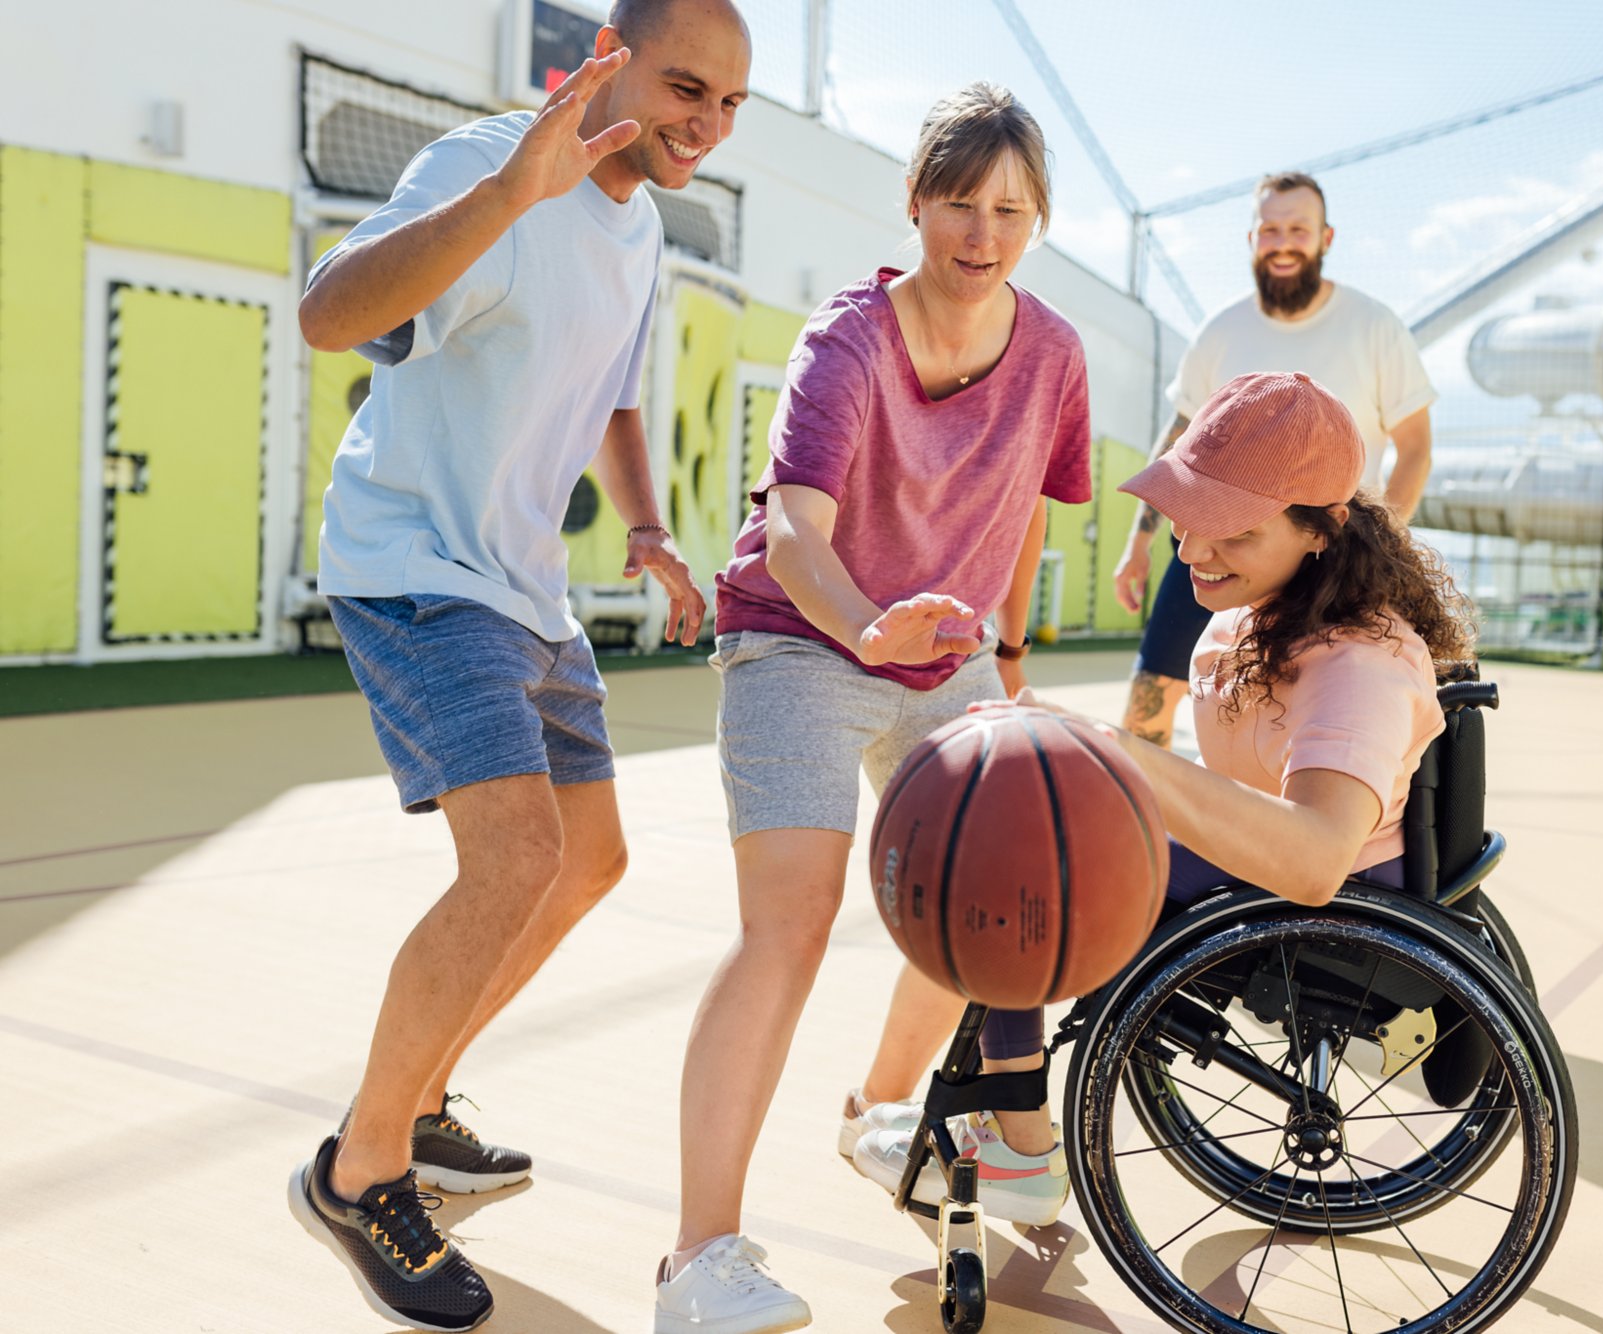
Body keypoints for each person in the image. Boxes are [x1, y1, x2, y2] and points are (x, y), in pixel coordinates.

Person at [284, 5, 750, 1329]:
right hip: (416, 561)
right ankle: (359, 1166)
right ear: (607, 52)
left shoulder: (643, 225)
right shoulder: (490, 165)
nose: (705, 125)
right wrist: (505, 191)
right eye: (683, 87)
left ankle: (416, 1104)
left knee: (589, 857)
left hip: (525, 586)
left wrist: (651, 527)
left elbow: (612, 392)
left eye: (728, 105)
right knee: (514, 858)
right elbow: (331, 315)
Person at [655, 83, 1091, 1334]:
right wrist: (863, 626)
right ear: (915, 203)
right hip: (802, 635)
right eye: (958, 202)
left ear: (1034, 219)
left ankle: (880, 1110)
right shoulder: (847, 340)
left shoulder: (1052, 351)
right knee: (785, 931)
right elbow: (794, 531)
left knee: (987, 895)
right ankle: (696, 1261)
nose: (981, 231)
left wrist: (1005, 654)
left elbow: (1033, 506)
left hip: (942, 651)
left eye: (1009, 209)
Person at [849, 370, 1472, 1215]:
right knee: (1032, 805)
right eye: (1187, 518)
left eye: (1233, 533)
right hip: (1261, 874)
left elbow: (1318, 858)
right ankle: (953, 1105)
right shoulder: (1266, 612)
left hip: (1332, 904)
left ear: (1320, 532)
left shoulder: (1356, 665)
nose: (1192, 551)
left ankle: (1019, 1146)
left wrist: (1119, 756)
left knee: (1009, 861)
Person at [1111, 172, 1438, 749]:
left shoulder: (1374, 326)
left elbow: (1415, 448)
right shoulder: (1222, 330)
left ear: (1325, 238)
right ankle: (1142, 829)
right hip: (1213, 538)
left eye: (1297, 228)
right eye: (1270, 229)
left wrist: (1385, 544)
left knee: (1301, 712)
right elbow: (1183, 432)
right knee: (1145, 709)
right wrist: (1138, 543)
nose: (1283, 241)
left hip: (1322, 549)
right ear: (1252, 239)